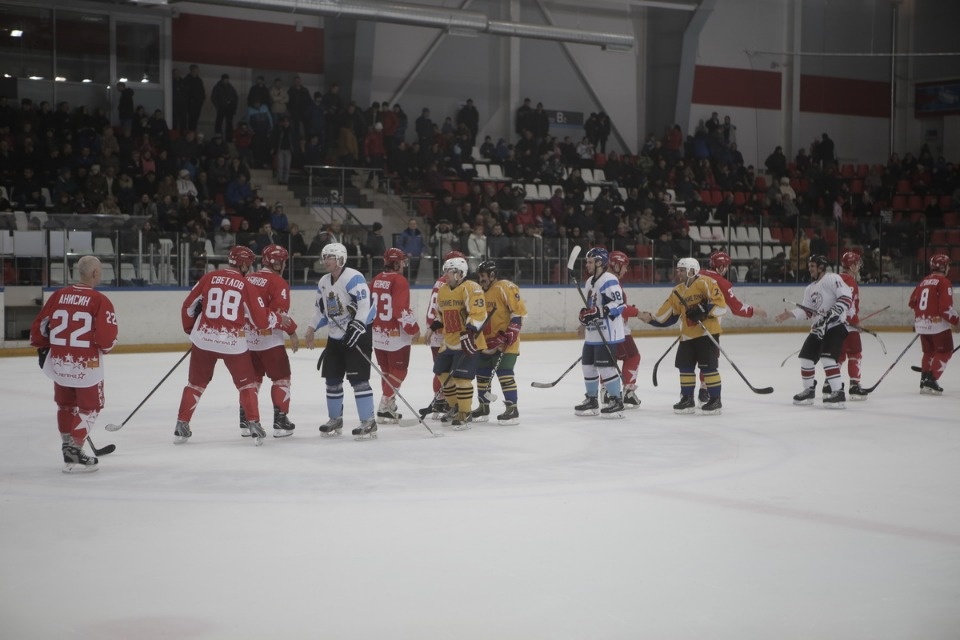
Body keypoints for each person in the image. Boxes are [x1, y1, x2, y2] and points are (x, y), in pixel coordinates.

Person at [174, 246, 290, 445]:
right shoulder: (245, 285)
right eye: (249, 264)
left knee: (195, 384)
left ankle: (181, 425)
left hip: (204, 339)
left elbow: (188, 306)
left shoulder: (209, 278)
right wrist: (277, 318)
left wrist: (191, 329)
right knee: (247, 384)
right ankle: (253, 424)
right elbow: (260, 320)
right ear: (244, 264)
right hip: (232, 342)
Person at [30, 256, 118, 473]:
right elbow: (106, 339)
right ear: (95, 273)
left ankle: (68, 447)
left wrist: (42, 346)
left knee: (65, 405)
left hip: (59, 362)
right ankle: (75, 447)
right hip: (86, 364)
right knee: (91, 407)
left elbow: (40, 326)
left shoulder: (58, 296)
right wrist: (105, 348)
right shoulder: (99, 300)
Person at [304, 242, 379, 440]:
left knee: (359, 379)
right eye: (325, 256)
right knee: (332, 380)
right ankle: (335, 419)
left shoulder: (353, 277)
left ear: (340, 259)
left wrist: (358, 326)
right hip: (335, 336)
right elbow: (321, 310)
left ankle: (368, 421)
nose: (325, 260)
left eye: (329, 257)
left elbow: (365, 305)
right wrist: (312, 328)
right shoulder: (323, 282)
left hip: (357, 334)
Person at [638, 257, 728, 415]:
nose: (678, 272)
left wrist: (702, 310)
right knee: (685, 367)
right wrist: (651, 318)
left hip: (707, 333)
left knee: (708, 368)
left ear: (692, 270)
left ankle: (715, 400)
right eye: (678, 269)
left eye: (681, 269)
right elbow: (667, 316)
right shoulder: (677, 291)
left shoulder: (706, 282)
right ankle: (687, 399)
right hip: (687, 336)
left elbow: (721, 306)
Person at [774, 254, 854, 408]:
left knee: (827, 359)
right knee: (806, 358)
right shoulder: (810, 288)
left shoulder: (832, 278)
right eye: (809, 265)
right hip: (819, 328)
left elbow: (845, 297)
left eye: (812, 266)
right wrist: (791, 314)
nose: (809, 268)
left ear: (821, 267)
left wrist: (834, 311)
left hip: (835, 326)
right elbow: (808, 311)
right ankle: (809, 390)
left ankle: (838, 393)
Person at [422, 256, 487, 429]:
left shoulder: (472, 288)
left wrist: (470, 331)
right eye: (445, 271)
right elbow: (441, 314)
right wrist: (431, 328)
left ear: (459, 273)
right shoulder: (443, 289)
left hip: (468, 341)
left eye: (449, 271)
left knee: (461, 378)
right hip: (449, 341)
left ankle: (465, 413)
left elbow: (479, 313)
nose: (446, 274)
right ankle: (455, 407)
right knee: (441, 373)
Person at [696, 250, 767, 403]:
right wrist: (754, 310)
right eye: (726, 266)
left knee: (688, 360)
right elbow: (737, 308)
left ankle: (686, 395)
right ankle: (704, 388)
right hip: (710, 327)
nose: (727, 269)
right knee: (709, 360)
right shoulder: (722, 283)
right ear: (721, 267)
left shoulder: (697, 274)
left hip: (690, 324)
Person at [244, 245, 300, 437]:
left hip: (247, 341)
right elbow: (279, 315)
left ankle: (246, 421)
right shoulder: (278, 282)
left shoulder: (247, 278)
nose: (284, 265)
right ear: (277, 263)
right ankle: (280, 421)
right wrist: (292, 330)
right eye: (283, 261)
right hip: (270, 342)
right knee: (281, 379)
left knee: (251, 382)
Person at [573, 248, 627, 418]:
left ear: (599, 262)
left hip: (608, 332)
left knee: (605, 368)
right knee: (587, 366)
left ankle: (616, 401)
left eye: (590, 262)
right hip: (592, 333)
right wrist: (584, 320)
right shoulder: (589, 281)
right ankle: (592, 400)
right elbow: (591, 306)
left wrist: (598, 312)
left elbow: (619, 304)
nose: (587, 265)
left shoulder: (609, 279)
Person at [471, 260, 527, 425]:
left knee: (505, 373)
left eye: (483, 276)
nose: (480, 279)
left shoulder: (505, 287)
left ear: (492, 275)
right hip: (486, 343)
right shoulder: (479, 291)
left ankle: (512, 408)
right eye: (479, 276)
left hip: (506, 343)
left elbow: (518, 313)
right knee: (481, 375)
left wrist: (507, 336)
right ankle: (483, 407)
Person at [370, 248, 421, 423]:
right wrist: (413, 328)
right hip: (395, 336)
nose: (405, 265)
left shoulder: (376, 279)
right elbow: (400, 310)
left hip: (378, 333)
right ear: (396, 263)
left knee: (387, 372)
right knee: (399, 371)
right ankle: (384, 404)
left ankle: (388, 408)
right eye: (403, 261)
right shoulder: (399, 280)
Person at [908, 253, 960, 395]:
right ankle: (931, 380)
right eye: (948, 265)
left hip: (921, 324)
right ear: (943, 267)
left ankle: (924, 380)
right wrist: (957, 321)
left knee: (929, 352)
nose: (949, 268)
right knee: (945, 351)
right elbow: (945, 308)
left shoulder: (923, 281)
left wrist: (923, 316)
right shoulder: (944, 282)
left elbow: (912, 302)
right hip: (938, 325)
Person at [424, 250, 467, 417]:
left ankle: (441, 401)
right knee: (447, 370)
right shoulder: (448, 283)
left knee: (441, 370)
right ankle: (444, 402)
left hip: (437, 329)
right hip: (444, 331)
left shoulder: (441, 282)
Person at [605, 251, 642, 409]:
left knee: (607, 361)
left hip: (605, 329)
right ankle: (628, 392)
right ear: (616, 265)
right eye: (625, 266)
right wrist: (638, 313)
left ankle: (606, 393)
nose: (626, 270)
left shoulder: (599, 280)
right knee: (633, 357)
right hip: (617, 329)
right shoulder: (612, 281)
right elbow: (619, 308)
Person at [836, 251, 869, 399]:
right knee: (855, 354)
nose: (859, 266)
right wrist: (856, 323)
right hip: (848, 326)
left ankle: (829, 384)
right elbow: (847, 307)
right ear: (852, 265)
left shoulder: (835, 279)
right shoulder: (850, 282)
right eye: (857, 263)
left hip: (834, 326)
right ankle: (855, 386)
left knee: (839, 355)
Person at [211, 73, 239, 142]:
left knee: (229, 123)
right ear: (222, 80)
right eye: (225, 80)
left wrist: (234, 107)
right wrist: (218, 106)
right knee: (219, 123)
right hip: (221, 108)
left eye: (227, 80)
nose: (227, 81)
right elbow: (213, 98)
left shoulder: (231, 87)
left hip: (230, 108)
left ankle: (229, 139)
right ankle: (218, 138)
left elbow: (235, 97)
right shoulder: (217, 87)